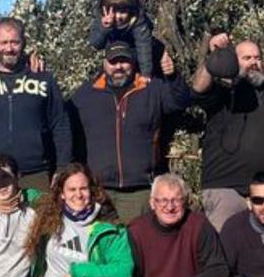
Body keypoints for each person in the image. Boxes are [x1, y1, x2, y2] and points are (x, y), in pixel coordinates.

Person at [69, 41, 191, 224]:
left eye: (124, 61)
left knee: (135, 247)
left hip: (139, 191)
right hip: (97, 191)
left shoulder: (151, 88)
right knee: (101, 247)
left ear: (133, 63)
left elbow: (180, 102)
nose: (119, 66)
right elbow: (64, 125)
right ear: (104, 64)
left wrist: (172, 76)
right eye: (113, 61)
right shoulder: (86, 94)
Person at [0, 17, 72, 192]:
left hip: (36, 175)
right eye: (4, 42)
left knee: (41, 220)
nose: (9, 48)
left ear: (23, 43)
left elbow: (60, 125)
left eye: (15, 42)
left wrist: (63, 167)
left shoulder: (43, 79)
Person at [190, 33, 264, 231]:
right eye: (246, 58)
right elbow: (198, 89)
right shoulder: (223, 92)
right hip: (226, 189)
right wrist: (213, 60)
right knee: (224, 251)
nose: (253, 63)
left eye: (257, 58)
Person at [88, 0, 159, 78]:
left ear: (130, 10)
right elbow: (96, 44)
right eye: (115, 11)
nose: (118, 17)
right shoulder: (102, 16)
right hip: (114, 51)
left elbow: (143, 46)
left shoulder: (138, 19)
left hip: (135, 50)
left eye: (123, 11)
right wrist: (104, 27)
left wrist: (145, 75)